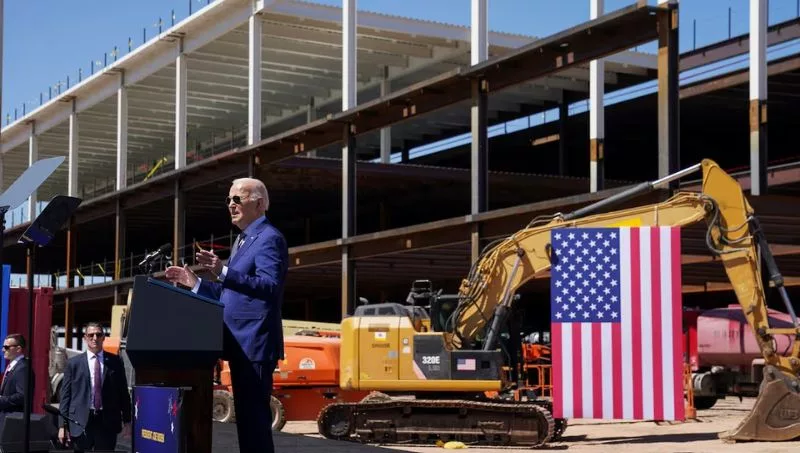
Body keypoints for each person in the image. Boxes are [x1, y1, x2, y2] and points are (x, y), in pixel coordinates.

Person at [165, 177, 288, 453]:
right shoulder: (243, 241)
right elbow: (229, 293)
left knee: (254, 425)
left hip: (254, 345)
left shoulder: (269, 238)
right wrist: (194, 282)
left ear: (259, 204)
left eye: (237, 199)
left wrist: (222, 271)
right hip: (238, 344)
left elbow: (269, 286)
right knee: (246, 424)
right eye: (228, 199)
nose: (231, 205)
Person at [58, 322, 132, 452]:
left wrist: (127, 421)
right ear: (85, 338)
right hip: (80, 421)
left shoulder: (115, 361)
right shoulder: (73, 364)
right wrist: (62, 425)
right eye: (91, 335)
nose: (95, 338)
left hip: (107, 421)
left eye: (98, 334)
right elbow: (65, 396)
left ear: (103, 337)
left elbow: (123, 393)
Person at [0, 334, 29, 418]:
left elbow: (22, 395)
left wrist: (2, 400)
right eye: (3, 347)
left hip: (13, 418)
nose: (3, 350)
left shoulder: (22, 368)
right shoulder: (14, 366)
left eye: (6, 347)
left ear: (18, 349)